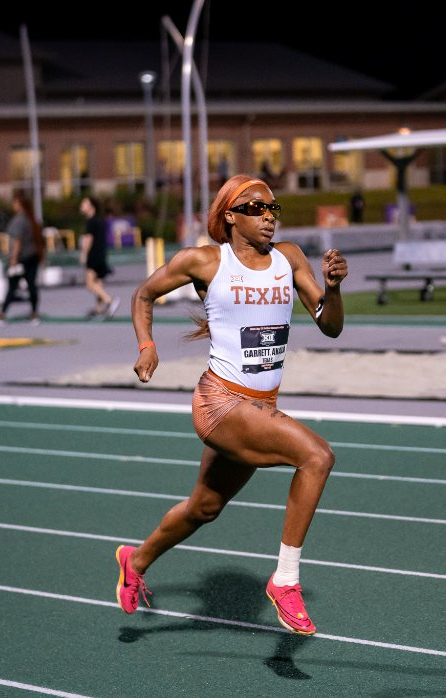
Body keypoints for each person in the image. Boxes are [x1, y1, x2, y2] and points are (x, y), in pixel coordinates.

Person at [116, 174, 348, 636]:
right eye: (257, 209)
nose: (268, 217)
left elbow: (331, 326)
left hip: (260, 405)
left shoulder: (290, 258)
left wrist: (333, 288)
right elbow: (143, 294)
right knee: (317, 456)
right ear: (230, 216)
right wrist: (146, 345)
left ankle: (134, 560)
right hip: (220, 402)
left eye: (273, 209)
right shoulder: (203, 262)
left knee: (204, 508)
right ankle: (285, 581)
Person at [0, 192, 45, 325]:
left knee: (13, 286)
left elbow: (17, 241)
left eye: (15, 203)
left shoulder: (19, 220)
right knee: (32, 285)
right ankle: (34, 313)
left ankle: (2, 314)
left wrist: (14, 259)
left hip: (22, 258)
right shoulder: (31, 219)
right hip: (33, 256)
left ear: (20, 205)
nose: (13, 205)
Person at [79, 195, 120, 319]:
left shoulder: (91, 221)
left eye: (84, 203)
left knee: (89, 283)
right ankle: (100, 307)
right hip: (101, 254)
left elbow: (89, 239)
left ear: (91, 206)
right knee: (98, 282)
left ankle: (110, 301)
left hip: (94, 255)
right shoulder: (99, 220)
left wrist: (84, 254)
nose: (81, 206)